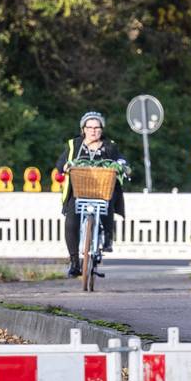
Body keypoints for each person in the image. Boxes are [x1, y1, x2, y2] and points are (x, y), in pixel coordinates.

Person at [61, 111, 130, 277]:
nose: (93, 130)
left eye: (97, 127)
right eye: (89, 127)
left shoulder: (109, 146)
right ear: (83, 129)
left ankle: (107, 238)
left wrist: (123, 166)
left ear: (102, 129)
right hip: (78, 190)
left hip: (102, 190)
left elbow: (122, 160)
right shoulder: (74, 145)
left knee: (108, 203)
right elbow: (61, 163)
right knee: (71, 221)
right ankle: (75, 262)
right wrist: (65, 166)